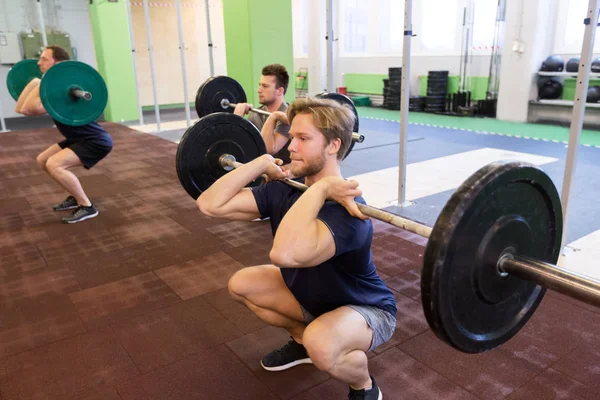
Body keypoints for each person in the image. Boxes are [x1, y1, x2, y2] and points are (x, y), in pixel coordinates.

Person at [197, 97, 396, 400]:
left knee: (323, 345)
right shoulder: (286, 186)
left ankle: (365, 387)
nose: (291, 147)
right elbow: (209, 204)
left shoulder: (350, 213)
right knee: (241, 284)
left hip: (366, 309)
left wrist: (323, 188)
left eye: (303, 139)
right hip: (313, 298)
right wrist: (258, 163)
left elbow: (284, 254)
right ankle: (302, 340)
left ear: (333, 145)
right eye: (292, 137)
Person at [14, 45, 112, 224]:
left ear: (57, 63)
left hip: (95, 140)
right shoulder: (54, 90)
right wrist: (37, 82)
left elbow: (29, 109)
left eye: (44, 59)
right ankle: (74, 196)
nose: (38, 62)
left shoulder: (60, 94)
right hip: (78, 138)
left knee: (54, 164)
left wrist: (41, 82)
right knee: (43, 160)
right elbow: (20, 108)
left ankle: (87, 207)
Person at [233, 64, 292, 164]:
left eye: (265, 86)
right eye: (259, 85)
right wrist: (237, 117)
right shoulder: (256, 114)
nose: (259, 90)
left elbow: (268, 150)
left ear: (280, 91)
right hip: (263, 171)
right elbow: (239, 144)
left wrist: (274, 117)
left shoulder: (287, 116)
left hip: (283, 174)